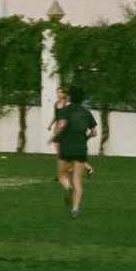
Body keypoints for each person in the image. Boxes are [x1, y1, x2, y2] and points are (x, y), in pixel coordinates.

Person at [50, 86, 97, 218]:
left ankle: (68, 188)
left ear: (70, 97)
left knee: (62, 176)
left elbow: (62, 125)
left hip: (66, 148)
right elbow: (94, 132)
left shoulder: (65, 110)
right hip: (81, 150)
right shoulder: (87, 112)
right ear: (83, 99)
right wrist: (85, 138)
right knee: (77, 181)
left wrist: (54, 137)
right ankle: (75, 209)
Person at [47, 86, 94, 182]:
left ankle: (65, 173)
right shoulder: (57, 104)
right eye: (57, 92)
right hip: (58, 128)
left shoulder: (66, 105)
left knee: (64, 152)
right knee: (61, 152)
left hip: (64, 131)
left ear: (65, 94)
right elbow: (56, 116)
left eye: (60, 92)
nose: (59, 94)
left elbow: (66, 119)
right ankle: (70, 171)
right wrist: (50, 125)